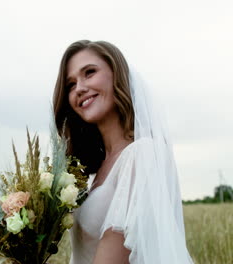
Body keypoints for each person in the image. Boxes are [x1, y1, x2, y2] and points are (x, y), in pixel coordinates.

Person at [53, 40, 193, 263]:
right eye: (70, 85)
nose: (79, 88)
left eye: (89, 72)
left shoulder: (142, 155)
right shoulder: (96, 171)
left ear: (117, 75)